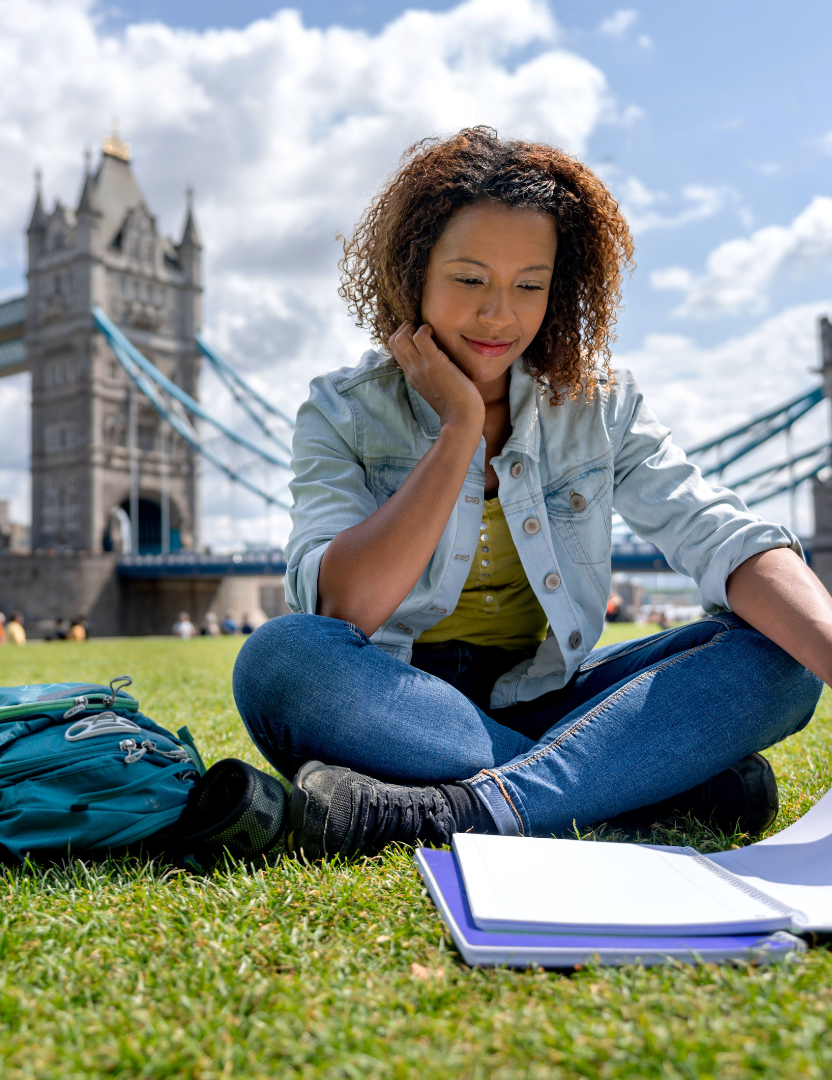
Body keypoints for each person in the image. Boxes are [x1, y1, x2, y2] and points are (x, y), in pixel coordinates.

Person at [233, 127, 826, 861]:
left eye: (529, 286)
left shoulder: (601, 405)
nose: (499, 316)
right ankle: (637, 785)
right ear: (413, 272)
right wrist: (459, 430)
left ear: (561, 287)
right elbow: (346, 609)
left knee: (784, 655)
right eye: (470, 279)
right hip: (392, 701)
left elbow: (718, 534)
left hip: (551, 700)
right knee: (280, 660)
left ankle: (470, 808)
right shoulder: (342, 410)